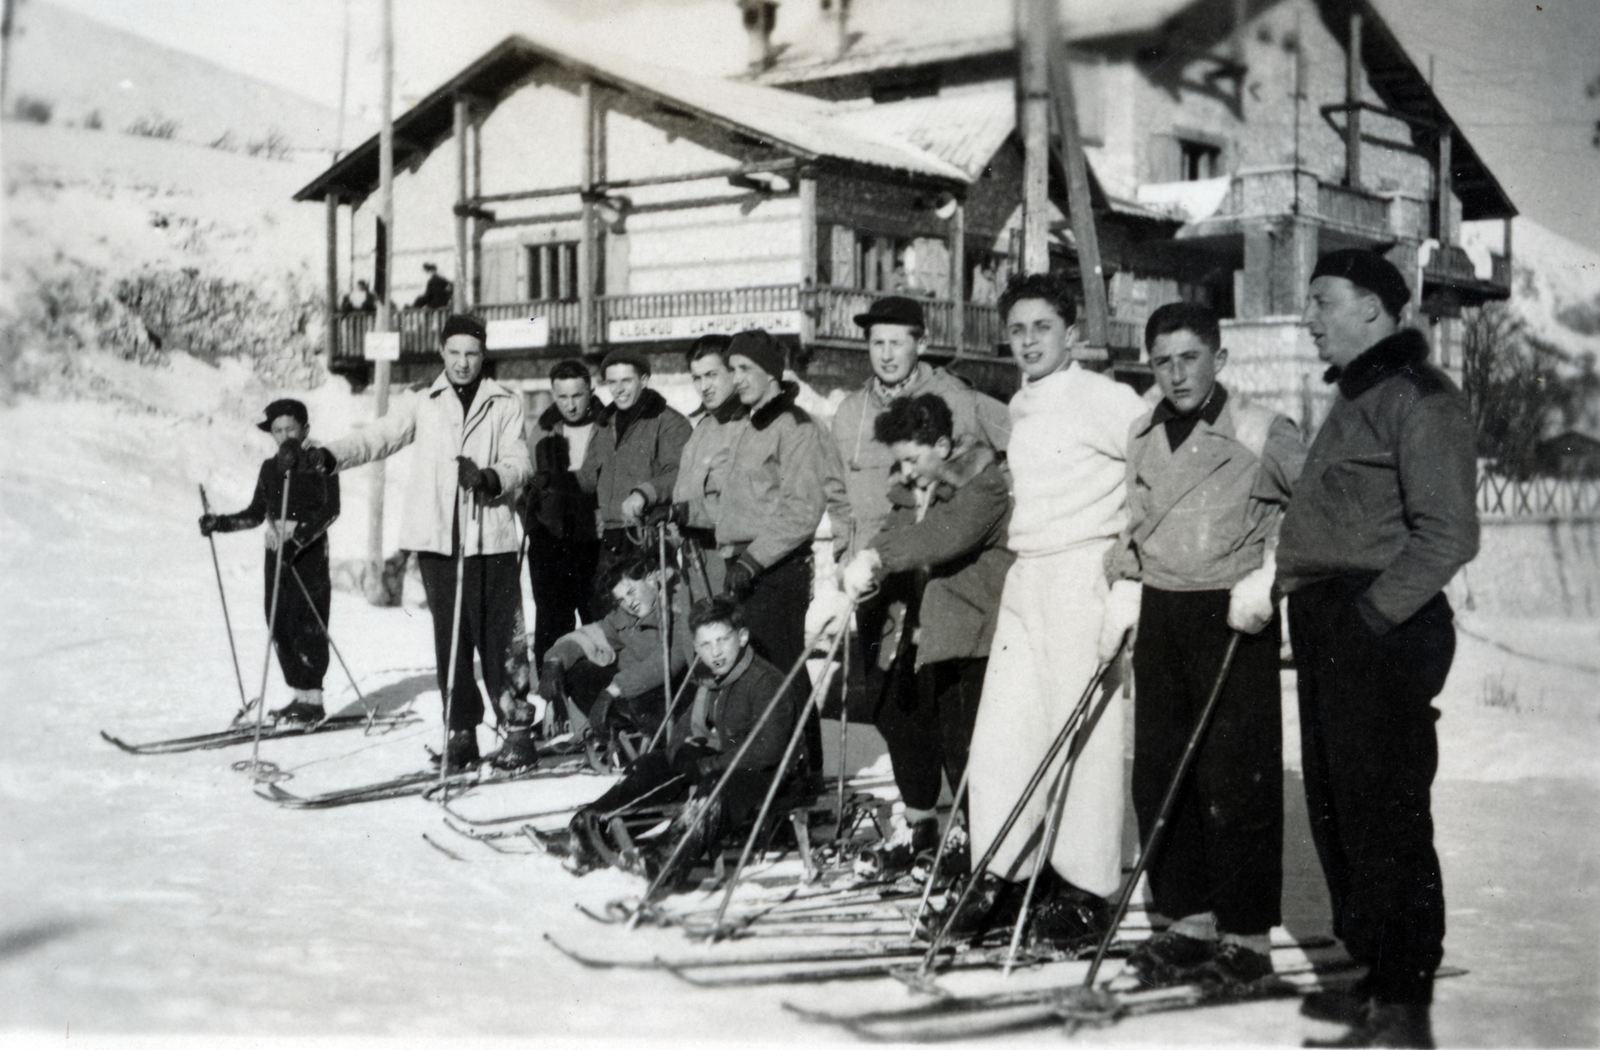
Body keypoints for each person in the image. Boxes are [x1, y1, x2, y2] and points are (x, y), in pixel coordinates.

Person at [1278, 250, 1479, 1049]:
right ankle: (1374, 978)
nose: (1310, 317)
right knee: (1339, 808)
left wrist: (1368, 618)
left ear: (1371, 307)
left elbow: (1449, 534)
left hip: (1381, 626)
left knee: (1385, 812)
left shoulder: (1421, 399)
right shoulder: (1360, 393)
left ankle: (1402, 1004)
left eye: (1322, 301)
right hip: (1337, 621)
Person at [940, 273, 1149, 948]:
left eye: (1043, 328)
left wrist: (1129, 575)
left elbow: (1153, 479)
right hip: (1028, 579)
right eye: (1019, 329)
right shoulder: (1021, 405)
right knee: (1003, 735)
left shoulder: (1107, 399)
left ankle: (1087, 889)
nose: (1028, 341)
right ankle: (1005, 872)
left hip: (1082, 574)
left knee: (1082, 736)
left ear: (1074, 335)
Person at [1103, 302, 1306, 987]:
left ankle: (1246, 937)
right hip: (1162, 609)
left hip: (1232, 612)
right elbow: (1133, 522)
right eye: (1162, 360)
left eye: (1189, 357)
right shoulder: (1143, 430)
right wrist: (1125, 583)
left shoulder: (1262, 429)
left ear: (1220, 357)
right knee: (1159, 770)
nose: (1176, 373)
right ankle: (1187, 923)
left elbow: (1309, 517)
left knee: (1234, 778)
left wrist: (1270, 580)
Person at [307, 314, 533, 771]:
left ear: (482, 355)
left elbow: (520, 462)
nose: (463, 363)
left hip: (490, 540)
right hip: (438, 543)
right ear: (442, 354)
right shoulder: (422, 402)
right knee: (451, 640)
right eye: (454, 354)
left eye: (471, 354)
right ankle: (462, 733)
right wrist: (330, 455)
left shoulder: (505, 403)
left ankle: (518, 732)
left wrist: (491, 477)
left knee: (501, 640)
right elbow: (379, 437)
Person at [825, 392, 1014, 872]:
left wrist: (880, 558)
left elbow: (941, 537)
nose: (906, 471)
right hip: (922, 635)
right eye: (900, 461)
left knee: (968, 747)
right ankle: (925, 830)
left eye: (913, 458)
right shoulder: (912, 492)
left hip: (976, 634)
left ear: (945, 446)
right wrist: (862, 567)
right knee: (904, 720)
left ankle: (988, 850)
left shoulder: (984, 486)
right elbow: (891, 537)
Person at [831, 296, 1010, 796]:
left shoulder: (959, 398)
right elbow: (838, 494)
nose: (886, 354)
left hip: (941, 578)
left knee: (950, 710)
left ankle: (964, 824)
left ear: (921, 343)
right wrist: (846, 557)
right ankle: (921, 822)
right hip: (874, 578)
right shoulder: (850, 412)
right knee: (891, 705)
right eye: (876, 343)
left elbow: (1015, 451)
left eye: (897, 342)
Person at [539, 597, 797, 883]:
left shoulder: (763, 681)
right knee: (652, 764)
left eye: (723, 641)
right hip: (731, 762)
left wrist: (709, 764)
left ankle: (665, 858)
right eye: (706, 645)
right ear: (696, 648)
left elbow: (767, 750)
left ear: (743, 637)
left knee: (718, 786)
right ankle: (587, 833)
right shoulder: (713, 678)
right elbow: (685, 726)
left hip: (774, 774)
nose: (716, 652)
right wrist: (681, 752)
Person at [717, 328, 851, 779]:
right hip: (742, 567)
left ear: (772, 372)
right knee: (758, 674)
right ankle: (770, 770)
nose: (736, 379)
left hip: (775, 570)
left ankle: (804, 772)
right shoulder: (746, 424)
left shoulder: (795, 427)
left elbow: (802, 510)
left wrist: (753, 560)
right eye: (732, 369)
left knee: (780, 672)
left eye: (745, 369)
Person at [200, 398, 340, 723]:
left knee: (309, 622)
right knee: (278, 620)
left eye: (290, 428)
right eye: (277, 430)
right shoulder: (269, 468)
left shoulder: (321, 461)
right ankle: (299, 696)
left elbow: (330, 510)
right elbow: (254, 514)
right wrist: (218, 523)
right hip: (276, 551)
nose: (284, 435)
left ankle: (313, 700)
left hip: (309, 553)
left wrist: (301, 540)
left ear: (305, 429)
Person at [537, 552, 692, 753]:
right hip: (638, 692)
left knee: (639, 701)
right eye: (620, 599)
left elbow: (666, 663)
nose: (629, 603)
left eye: (631, 592)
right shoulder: (624, 617)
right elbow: (588, 636)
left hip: (677, 695)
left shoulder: (680, 609)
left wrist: (614, 689)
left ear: (652, 580)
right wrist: (554, 661)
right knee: (578, 672)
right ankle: (622, 737)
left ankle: (652, 742)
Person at [575, 347, 693, 584]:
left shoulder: (669, 422)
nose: (618, 389)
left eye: (626, 381)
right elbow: (590, 476)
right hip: (610, 536)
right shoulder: (605, 424)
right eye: (612, 382)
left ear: (644, 380)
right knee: (608, 612)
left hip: (650, 534)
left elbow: (680, 473)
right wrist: (553, 482)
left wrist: (644, 493)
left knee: (649, 610)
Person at [522, 359, 602, 665]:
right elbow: (527, 487)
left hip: (594, 540)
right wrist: (535, 529)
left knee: (598, 620)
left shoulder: (607, 425)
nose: (570, 405)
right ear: (553, 395)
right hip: (552, 542)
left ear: (590, 391)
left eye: (577, 396)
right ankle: (553, 702)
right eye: (562, 397)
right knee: (552, 625)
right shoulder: (542, 429)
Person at [666, 334, 746, 600]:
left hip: (735, 562)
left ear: (733, 372)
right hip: (696, 564)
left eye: (712, 375)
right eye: (697, 378)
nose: (704, 387)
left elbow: (747, 504)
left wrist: (684, 513)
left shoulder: (749, 428)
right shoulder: (701, 429)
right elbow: (685, 492)